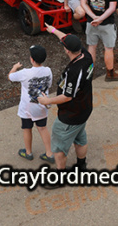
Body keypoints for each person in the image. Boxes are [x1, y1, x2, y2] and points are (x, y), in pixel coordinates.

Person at [37, 28, 93, 172]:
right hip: (85, 109)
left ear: (67, 51)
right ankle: (81, 166)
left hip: (71, 115)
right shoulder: (86, 55)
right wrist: (54, 30)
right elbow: (67, 38)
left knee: (59, 148)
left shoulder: (74, 72)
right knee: (80, 138)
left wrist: (47, 101)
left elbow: (67, 96)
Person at [9, 45, 55, 163]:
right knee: (43, 128)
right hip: (41, 106)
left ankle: (28, 152)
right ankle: (49, 154)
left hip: (27, 108)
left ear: (32, 59)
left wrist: (14, 67)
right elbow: (49, 85)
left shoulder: (25, 73)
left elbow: (10, 77)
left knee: (27, 128)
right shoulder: (48, 70)